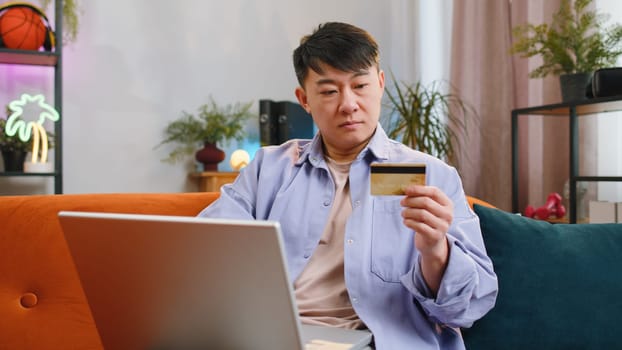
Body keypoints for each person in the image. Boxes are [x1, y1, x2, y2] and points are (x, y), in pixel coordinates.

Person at [198, 22, 498, 349]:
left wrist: (435, 251)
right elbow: (208, 251)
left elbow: (469, 307)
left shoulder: (432, 174)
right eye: (329, 91)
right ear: (304, 99)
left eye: (360, 85)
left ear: (380, 84)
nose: (348, 104)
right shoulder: (268, 170)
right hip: (276, 337)